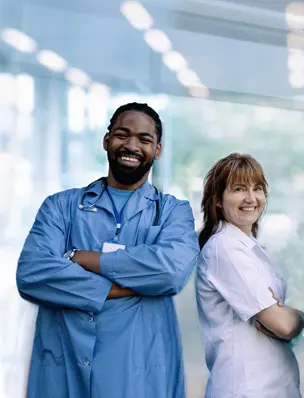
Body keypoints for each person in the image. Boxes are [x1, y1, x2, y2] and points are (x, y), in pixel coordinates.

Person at [16, 102, 199, 398]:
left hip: (138, 376)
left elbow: (171, 270)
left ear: (158, 150)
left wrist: (82, 258)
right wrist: (126, 286)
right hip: (64, 369)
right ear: (106, 140)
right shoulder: (60, 206)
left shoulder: (172, 212)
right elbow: (32, 273)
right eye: (122, 134)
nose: (131, 145)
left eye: (144, 139)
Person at [195, 153, 304, 398]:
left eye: (257, 189)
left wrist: (281, 315)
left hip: (272, 386)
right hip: (245, 388)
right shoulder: (223, 247)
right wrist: (300, 317)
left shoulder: (249, 248)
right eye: (239, 189)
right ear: (218, 200)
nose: (251, 198)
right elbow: (284, 325)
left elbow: (278, 322)